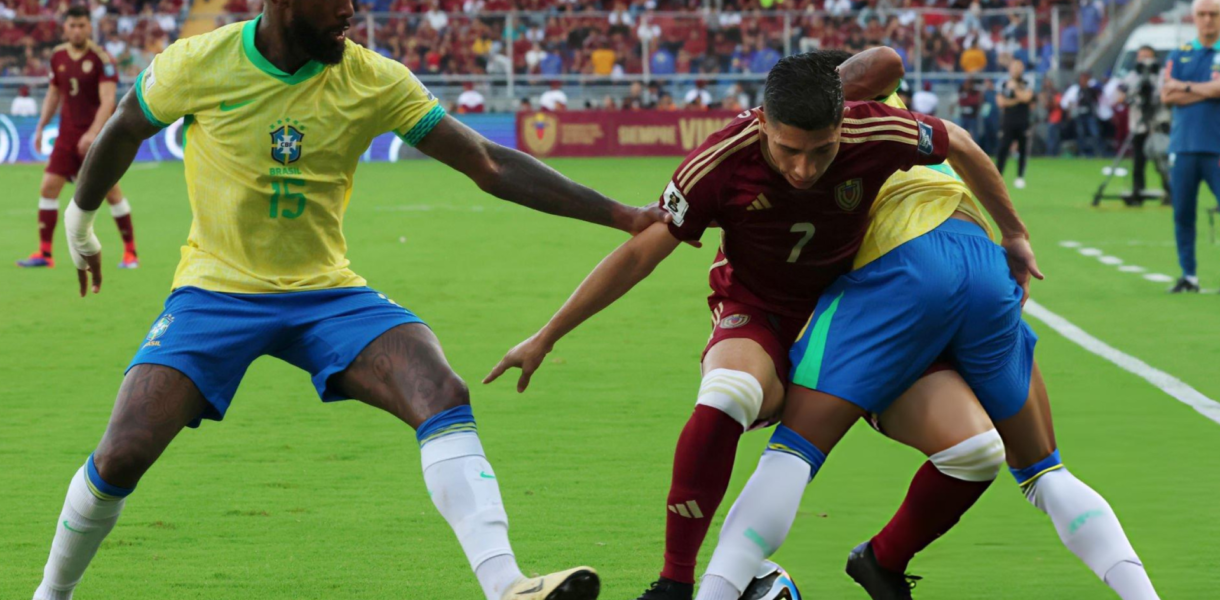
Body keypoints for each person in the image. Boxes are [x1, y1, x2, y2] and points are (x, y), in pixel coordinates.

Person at [31, 1, 675, 598]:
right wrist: (79, 221)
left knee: (441, 390)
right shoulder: (199, 62)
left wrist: (622, 216)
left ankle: (508, 585)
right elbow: (123, 127)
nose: (351, 10)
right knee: (123, 452)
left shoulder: (372, 77)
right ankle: (48, 594)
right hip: (215, 291)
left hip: (326, 293)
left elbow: (487, 162)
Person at [483, 49, 1017, 600]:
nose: (804, 168)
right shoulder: (720, 160)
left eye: (822, 150)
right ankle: (673, 583)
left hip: (855, 316)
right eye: (788, 150)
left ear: (843, 124)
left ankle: (877, 562)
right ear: (762, 123)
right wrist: (548, 335)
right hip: (759, 311)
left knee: (975, 452)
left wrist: (1015, 236)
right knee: (729, 391)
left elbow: (956, 136)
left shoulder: (874, 129)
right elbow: (642, 254)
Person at [691, 57, 1160, 600]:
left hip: (902, 270)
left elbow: (872, 70)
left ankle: (716, 591)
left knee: (794, 450)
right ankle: (1140, 593)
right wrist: (1015, 234)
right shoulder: (901, 123)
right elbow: (897, 74)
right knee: (1041, 471)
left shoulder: (837, 123)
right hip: (980, 258)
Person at [17, 6, 138, 270]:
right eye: (72, 25)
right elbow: (53, 95)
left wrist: (93, 133)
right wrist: (40, 126)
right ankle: (45, 254)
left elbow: (108, 102)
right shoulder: (58, 55)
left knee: (111, 192)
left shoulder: (101, 58)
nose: (77, 30)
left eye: (82, 25)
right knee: (48, 187)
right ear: (65, 28)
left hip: (96, 138)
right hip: (66, 136)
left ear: (89, 27)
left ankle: (130, 253)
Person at [1161, 0, 1220, 293]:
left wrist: (1183, 86)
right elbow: (1165, 96)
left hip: (1216, 146)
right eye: (1202, 14)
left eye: (1214, 14)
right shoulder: (1179, 53)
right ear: (1194, 17)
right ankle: (1189, 275)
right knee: (1182, 212)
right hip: (1183, 146)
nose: (1208, 20)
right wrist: (1206, 91)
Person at [1121, 45, 1171, 202]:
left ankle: (1169, 191)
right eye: (1141, 57)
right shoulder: (1132, 76)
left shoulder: (1162, 75)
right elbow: (1120, 95)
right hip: (1139, 124)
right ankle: (1138, 191)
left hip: (1158, 122)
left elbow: (1167, 95)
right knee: (1138, 160)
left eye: (1147, 56)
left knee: (1162, 158)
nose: (1144, 61)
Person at [996, 59, 1034, 189]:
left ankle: (1020, 177)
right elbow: (1001, 102)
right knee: (1003, 149)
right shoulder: (1003, 83)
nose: (1016, 69)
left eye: (1018, 67)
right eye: (1014, 67)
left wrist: (1015, 89)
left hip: (1023, 121)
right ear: (1009, 68)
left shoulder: (1027, 82)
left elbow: (1027, 98)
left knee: (1023, 149)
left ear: (1022, 68)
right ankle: (997, 177)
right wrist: (1018, 99)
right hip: (1008, 122)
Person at [1062, 72, 1101, 157]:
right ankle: (1082, 152)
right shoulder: (1076, 89)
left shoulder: (1092, 89)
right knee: (1080, 134)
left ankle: (1097, 152)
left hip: (1089, 114)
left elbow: (1098, 97)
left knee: (1094, 133)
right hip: (1079, 114)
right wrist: (1070, 111)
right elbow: (1069, 102)